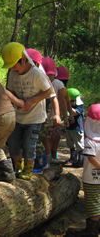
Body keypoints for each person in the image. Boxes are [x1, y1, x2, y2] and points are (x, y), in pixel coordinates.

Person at [2, 42, 51, 180]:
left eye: (14, 65)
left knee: (30, 144)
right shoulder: (12, 74)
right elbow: (11, 91)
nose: (12, 68)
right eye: (10, 66)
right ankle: (18, 168)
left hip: (34, 118)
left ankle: (28, 169)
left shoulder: (36, 73)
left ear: (23, 59)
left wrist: (31, 101)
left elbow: (48, 90)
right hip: (18, 117)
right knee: (13, 142)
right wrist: (16, 101)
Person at [66, 104, 100, 236]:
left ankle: (91, 231)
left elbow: (91, 158)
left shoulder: (90, 140)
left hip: (92, 179)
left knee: (93, 203)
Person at [25, 49, 61, 174]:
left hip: (43, 116)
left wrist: (57, 114)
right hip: (28, 115)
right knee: (30, 140)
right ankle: (42, 161)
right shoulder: (23, 76)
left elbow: (53, 97)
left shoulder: (42, 77)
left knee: (38, 139)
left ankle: (40, 164)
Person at [42, 57, 70, 164]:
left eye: (51, 74)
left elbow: (63, 102)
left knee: (52, 136)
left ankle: (51, 156)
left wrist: (65, 117)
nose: (48, 77)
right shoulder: (39, 80)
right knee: (45, 138)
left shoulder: (58, 84)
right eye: (47, 74)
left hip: (54, 117)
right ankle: (48, 157)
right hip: (43, 117)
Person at [56, 66, 77, 164]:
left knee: (50, 136)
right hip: (58, 117)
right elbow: (67, 103)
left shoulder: (54, 87)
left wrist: (68, 116)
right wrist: (69, 116)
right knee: (56, 135)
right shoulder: (65, 90)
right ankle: (53, 154)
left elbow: (67, 102)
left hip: (53, 117)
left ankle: (52, 155)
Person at [66, 88, 85, 168]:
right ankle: (73, 158)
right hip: (69, 128)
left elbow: (75, 113)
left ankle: (81, 161)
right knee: (71, 144)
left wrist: (68, 105)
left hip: (77, 128)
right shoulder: (66, 105)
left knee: (79, 145)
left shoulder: (80, 106)